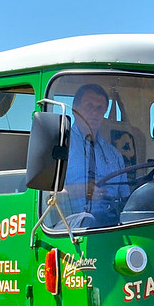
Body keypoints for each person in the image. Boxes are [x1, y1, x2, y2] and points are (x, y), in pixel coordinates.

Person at [64, 83, 131, 225]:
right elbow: (44, 197)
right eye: (89, 106)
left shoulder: (114, 155)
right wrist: (82, 190)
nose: (94, 113)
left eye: (99, 108)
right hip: (71, 226)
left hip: (111, 222)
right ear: (75, 109)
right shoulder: (61, 146)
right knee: (88, 221)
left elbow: (125, 197)